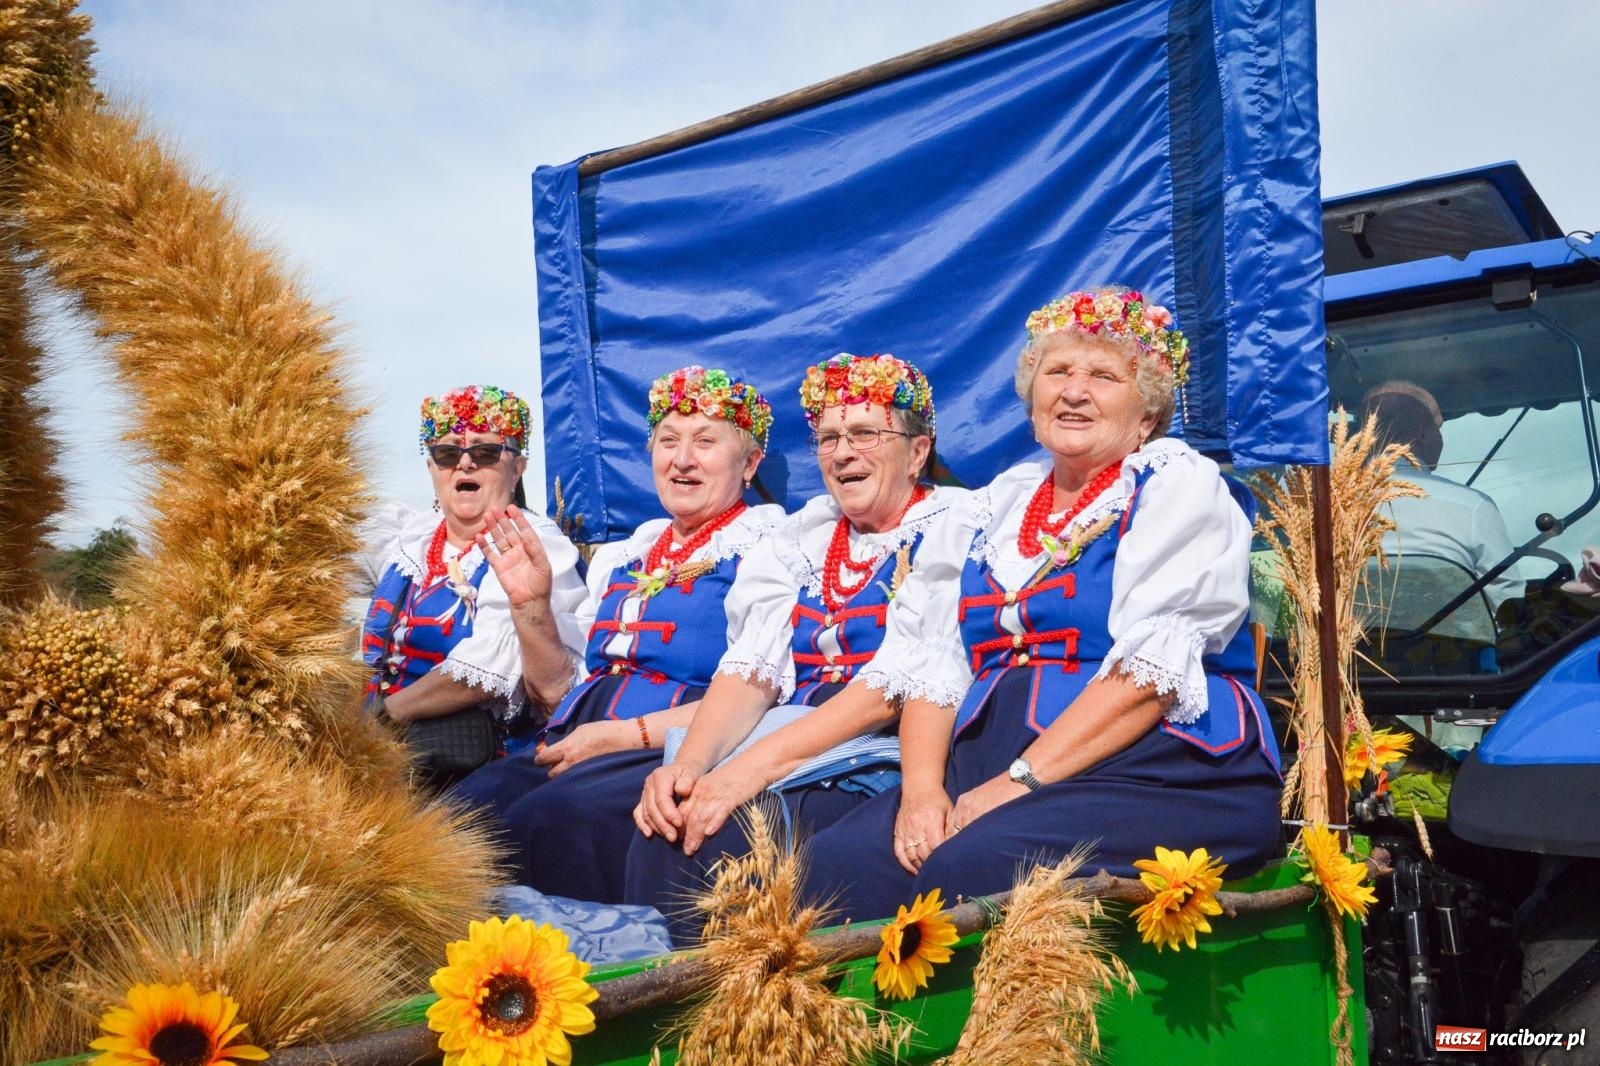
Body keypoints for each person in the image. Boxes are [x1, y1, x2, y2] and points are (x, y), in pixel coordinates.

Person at [802, 288, 1283, 923]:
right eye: (1057, 372)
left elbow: (1149, 677)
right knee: (833, 868)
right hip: (990, 760)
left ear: (1147, 416)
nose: (1074, 391)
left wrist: (1016, 783)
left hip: (1153, 763)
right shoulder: (992, 507)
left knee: (968, 870)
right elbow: (934, 665)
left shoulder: (1174, 484)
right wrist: (921, 795)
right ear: (1032, 403)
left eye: (1105, 376)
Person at [619, 354, 964, 942]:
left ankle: (765, 1007)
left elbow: (892, 690)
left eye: (864, 434)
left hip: (885, 746)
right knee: (668, 823)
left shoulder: (954, 526)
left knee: (734, 831)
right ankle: (657, 1013)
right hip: (793, 732)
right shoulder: (801, 539)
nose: (843, 452)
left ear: (916, 451)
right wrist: (688, 767)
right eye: (829, 438)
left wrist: (745, 773)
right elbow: (750, 671)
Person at [448, 366, 783, 890]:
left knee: (547, 823)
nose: (682, 458)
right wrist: (531, 606)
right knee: (459, 815)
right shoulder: (626, 555)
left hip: (672, 752)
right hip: (577, 743)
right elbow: (557, 695)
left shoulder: (768, 550)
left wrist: (625, 735)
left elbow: (763, 694)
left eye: (705, 441)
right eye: (668, 440)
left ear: (750, 463)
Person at [363, 385, 588, 785]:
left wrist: (381, 718)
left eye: (485, 453)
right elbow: (313, 566)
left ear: (517, 468)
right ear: (431, 469)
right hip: (380, 746)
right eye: (447, 454)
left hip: (473, 764)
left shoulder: (534, 544)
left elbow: (487, 669)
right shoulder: (409, 539)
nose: (464, 464)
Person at [1360, 381, 1522, 623]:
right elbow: (1507, 604)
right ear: (1423, 433)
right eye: (1439, 427)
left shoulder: (1317, 506)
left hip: (1339, 657)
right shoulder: (1473, 506)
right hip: (1452, 658)